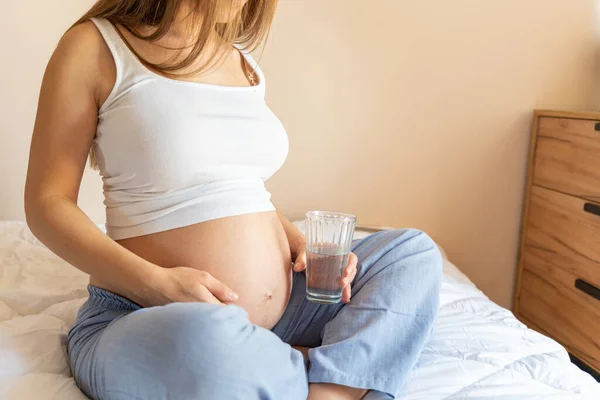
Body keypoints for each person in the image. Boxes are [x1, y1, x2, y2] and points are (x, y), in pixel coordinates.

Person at [24, 0, 442, 399]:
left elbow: (240, 183)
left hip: (293, 306)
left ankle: (327, 390)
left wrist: (296, 241)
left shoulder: (239, 60)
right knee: (203, 344)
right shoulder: (94, 46)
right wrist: (157, 285)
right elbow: (48, 203)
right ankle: (319, 364)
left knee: (411, 253)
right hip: (144, 310)